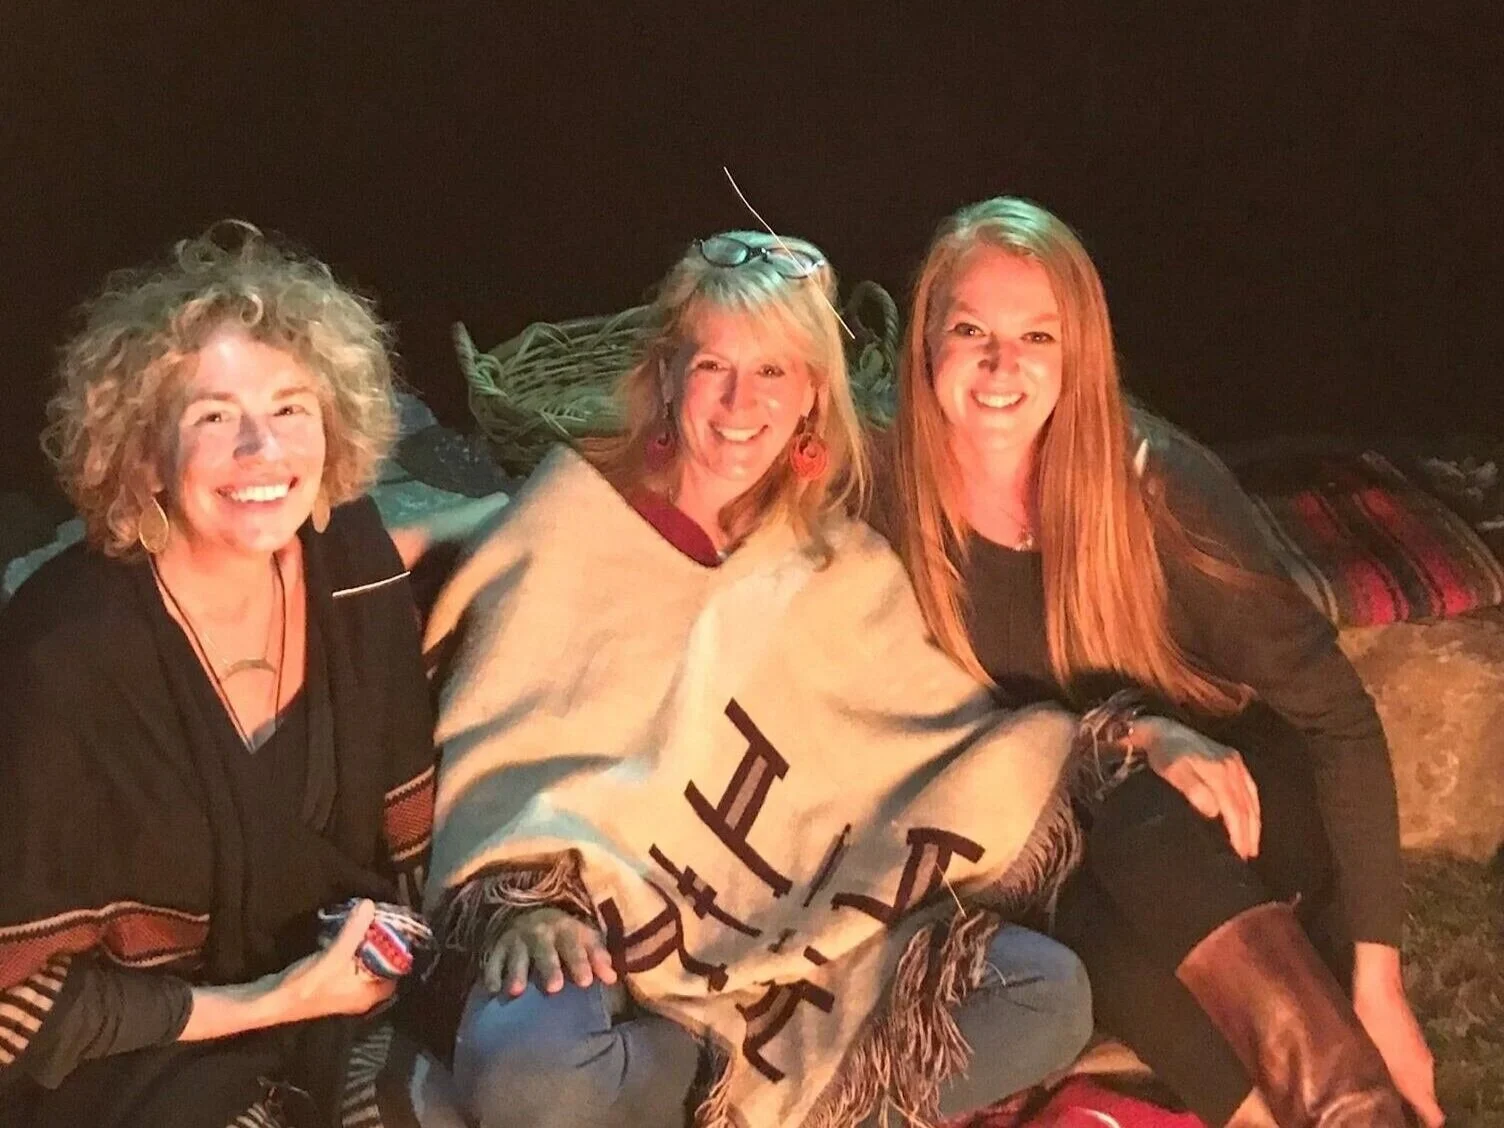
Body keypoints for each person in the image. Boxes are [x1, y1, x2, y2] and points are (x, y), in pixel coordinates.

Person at [419, 231, 1099, 1128]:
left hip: (801, 941)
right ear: (666, 376)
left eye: (775, 372)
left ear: (815, 393)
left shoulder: (839, 557)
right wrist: (526, 904)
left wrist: (1122, 737)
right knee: (528, 1078)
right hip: (595, 929)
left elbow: (928, 744)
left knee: (1048, 995)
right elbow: (503, 751)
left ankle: (703, 1100)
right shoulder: (573, 510)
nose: (742, 404)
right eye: (713, 367)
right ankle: (727, 1092)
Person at [882, 196, 1441, 1126]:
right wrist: (1133, 734)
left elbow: (1338, 718)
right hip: (1069, 824)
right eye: (970, 329)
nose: (999, 365)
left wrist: (1379, 987)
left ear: (1079, 351)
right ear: (925, 343)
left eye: (1037, 336)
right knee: (1080, 905)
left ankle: (1355, 1108)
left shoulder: (1158, 491)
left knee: (1133, 819)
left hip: (1240, 819)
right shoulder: (893, 499)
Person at [0, 225, 438, 1128]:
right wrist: (280, 999)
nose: (261, 450)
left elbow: (411, 860)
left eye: (290, 409)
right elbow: (19, 1012)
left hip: (338, 1007)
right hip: (145, 1058)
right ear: (144, 453)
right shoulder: (68, 655)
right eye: (211, 416)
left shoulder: (351, 567)